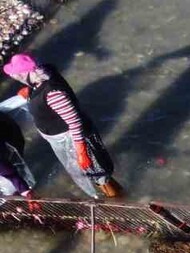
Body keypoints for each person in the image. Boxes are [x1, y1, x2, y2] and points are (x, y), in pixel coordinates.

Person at [2, 53, 122, 199]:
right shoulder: (44, 74)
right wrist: (30, 92)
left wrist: (81, 152)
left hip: (73, 139)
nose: (14, 77)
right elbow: (40, 86)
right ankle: (106, 193)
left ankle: (118, 199)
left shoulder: (53, 94)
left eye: (17, 74)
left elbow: (75, 122)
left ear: (26, 74)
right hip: (59, 137)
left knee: (98, 174)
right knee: (88, 172)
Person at [0, 110, 34, 200]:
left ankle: (18, 193)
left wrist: (25, 192)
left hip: (10, 132)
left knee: (14, 167)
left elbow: (9, 173)